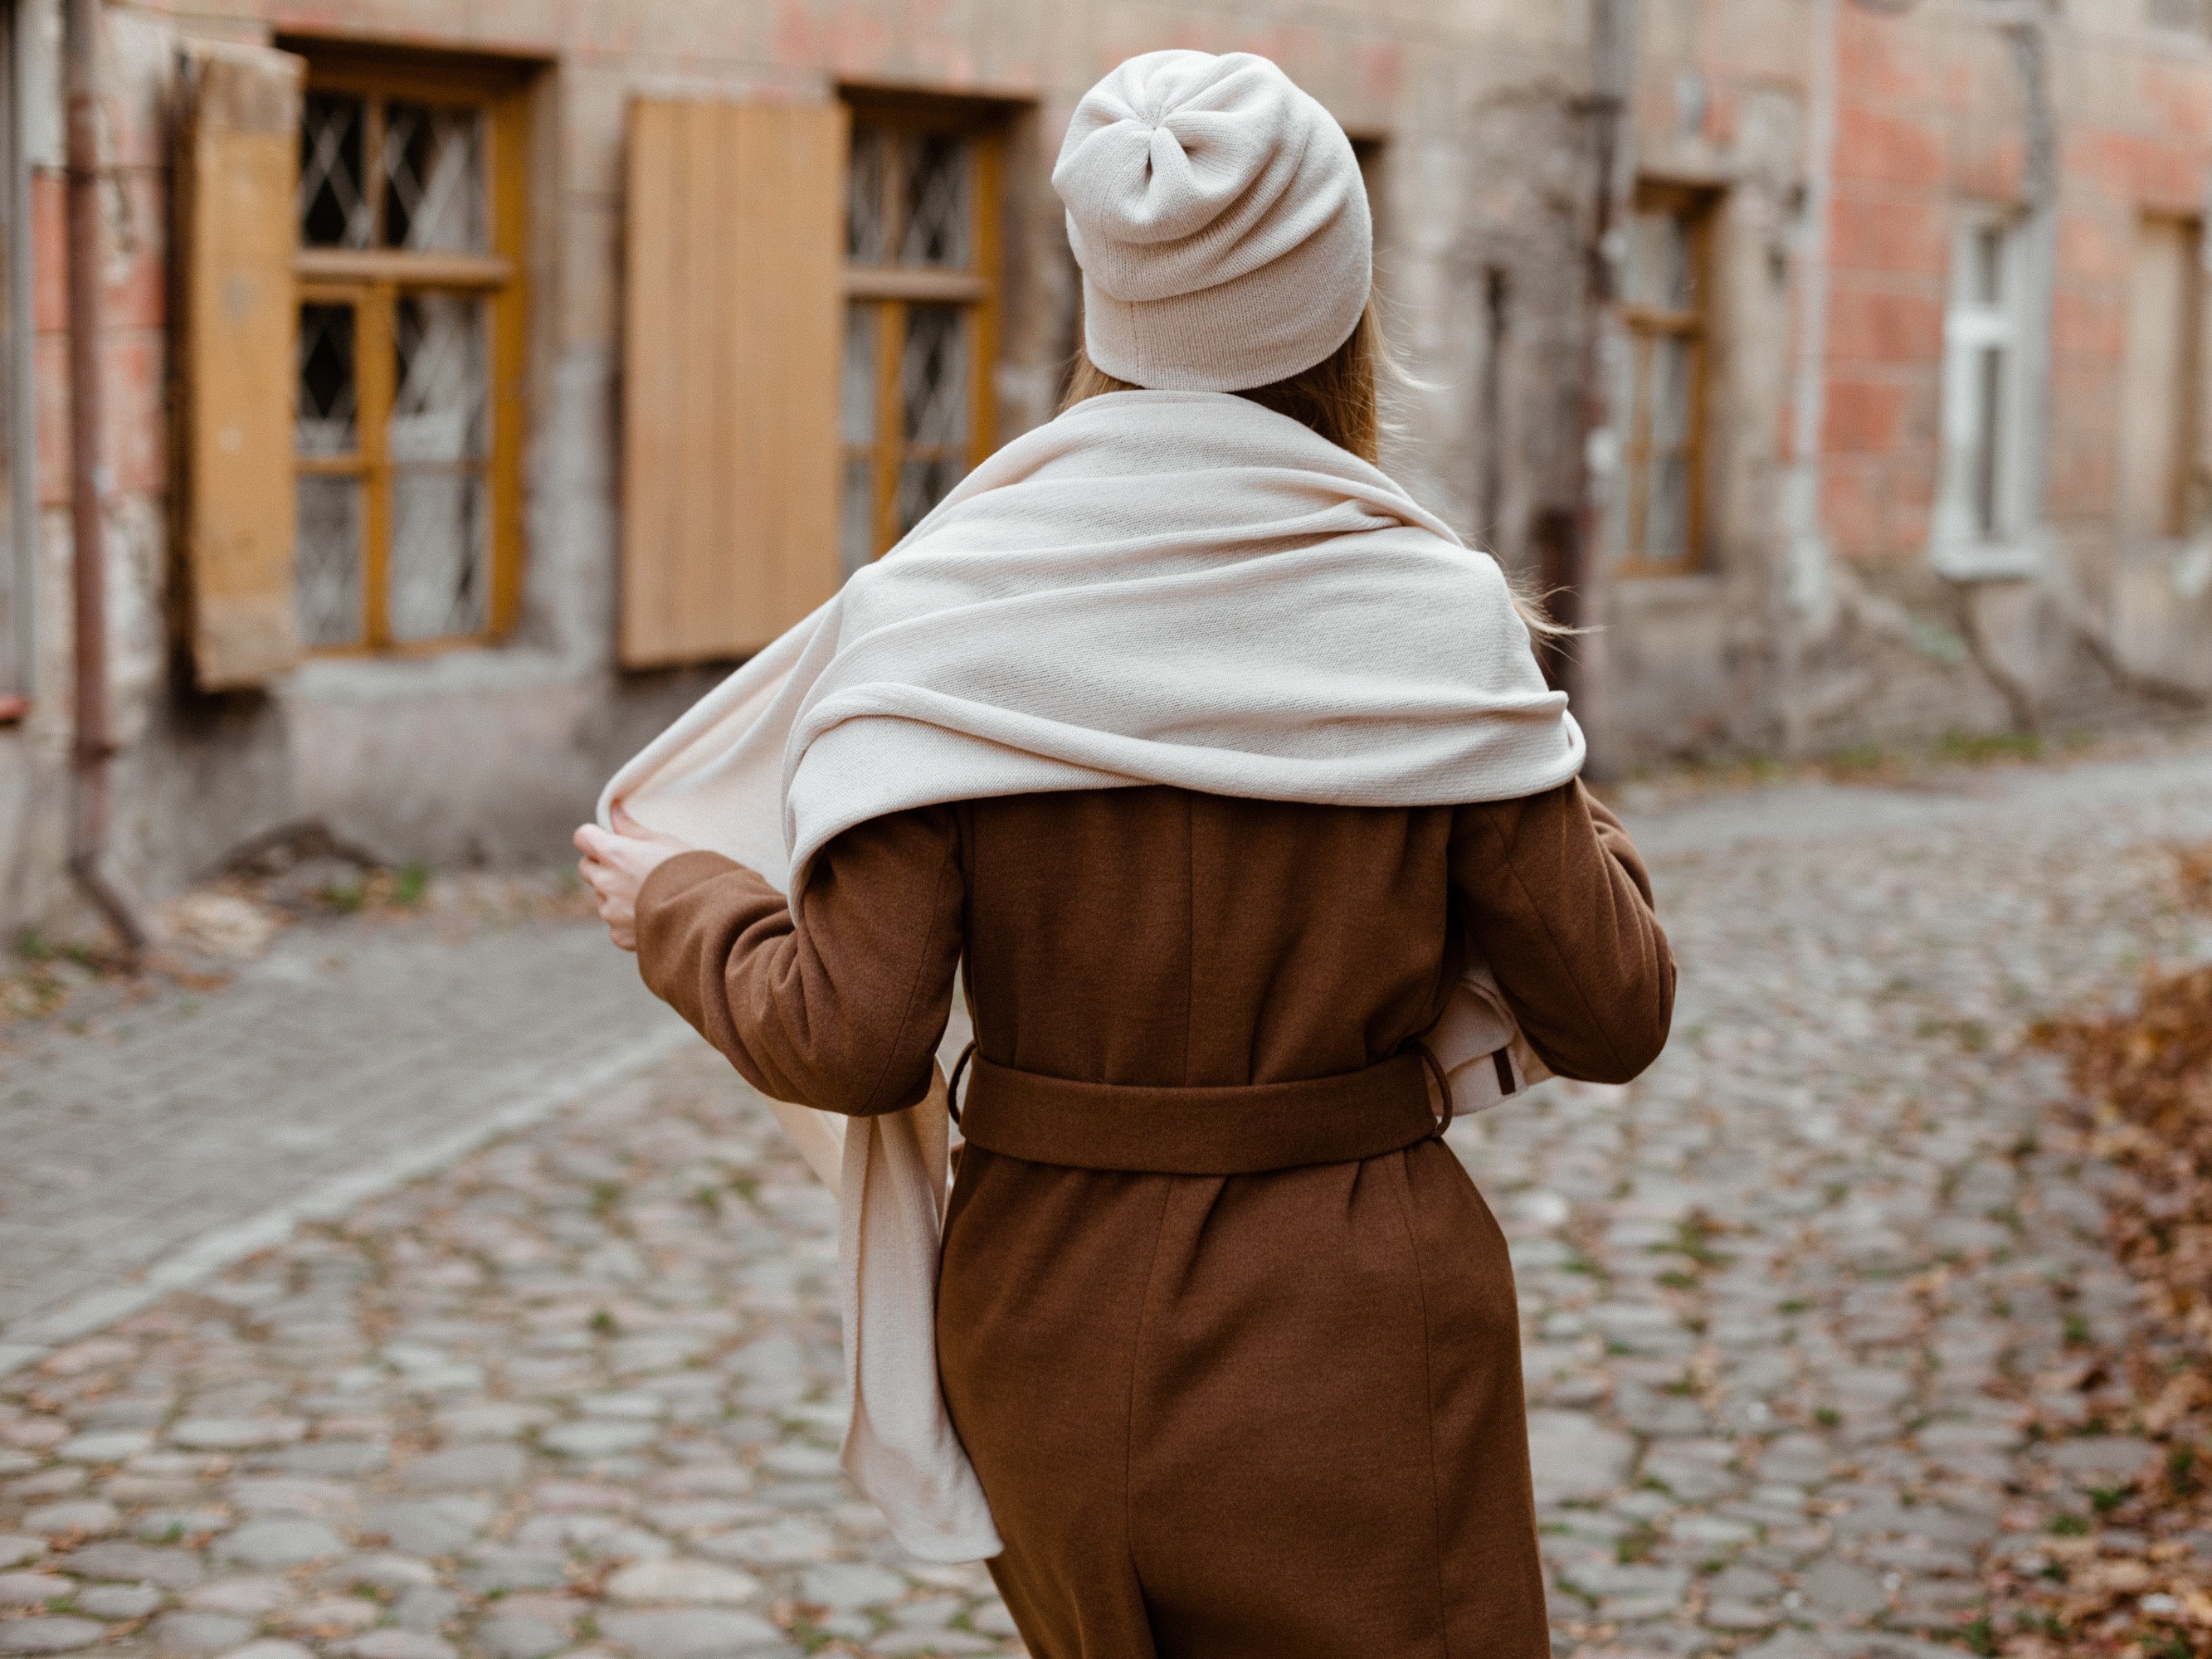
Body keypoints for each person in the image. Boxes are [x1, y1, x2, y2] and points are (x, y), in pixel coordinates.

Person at [576, 48, 1674, 1659]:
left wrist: (684, 901)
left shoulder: (941, 613)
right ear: (1342, 310)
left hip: (1049, 1316)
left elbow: (851, 1034)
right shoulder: (1432, 622)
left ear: (1110, 301)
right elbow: (1613, 1009)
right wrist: (1510, 730)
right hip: (1364, 1321)